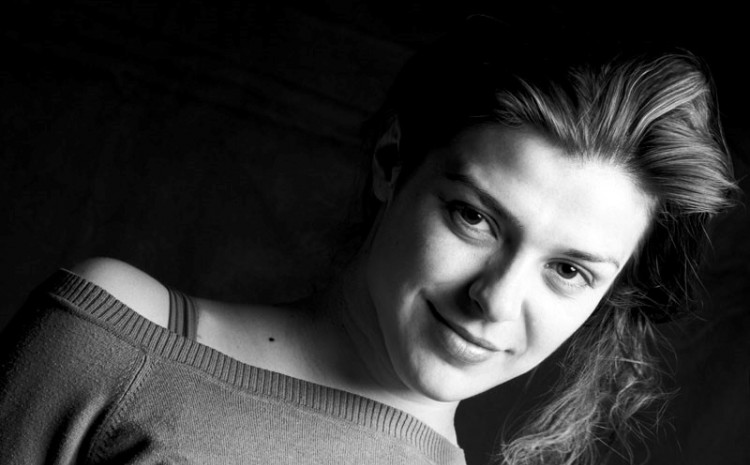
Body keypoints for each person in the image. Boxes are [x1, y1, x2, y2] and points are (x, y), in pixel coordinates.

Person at [0, 14, 737, 465]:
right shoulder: (113, 337)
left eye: (569, 270)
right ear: (391, 162)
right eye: (475, 218)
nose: (494, 299)